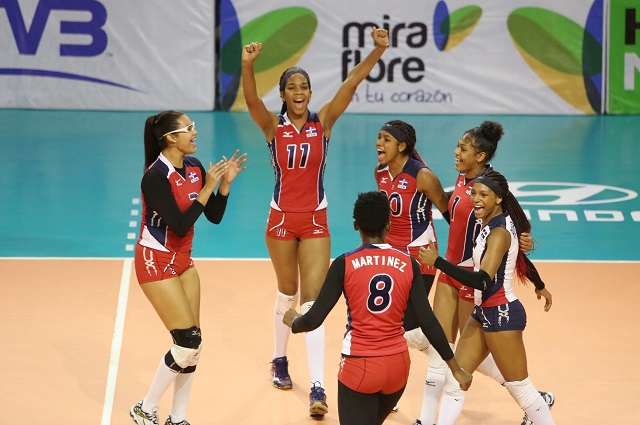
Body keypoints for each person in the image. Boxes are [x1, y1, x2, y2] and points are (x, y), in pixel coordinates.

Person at [241, 25, 390, 417]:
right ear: (285, 95)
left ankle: (319, 387)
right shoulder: (272, 127)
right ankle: (279, 359)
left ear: (309, 92)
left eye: (304, 85)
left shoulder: (323, 123)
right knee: (286, 293)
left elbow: (353, 81)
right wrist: (247, 64)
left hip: (315, 221)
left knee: (314, 301)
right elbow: (251, 98)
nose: (299, 91)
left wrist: (378, 51)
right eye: (292, 86)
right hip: (279, 221)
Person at [282, 191, 473, 425]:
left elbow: (313, 320)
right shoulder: (409, 263)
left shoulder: (345, 263)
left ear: (355, 225)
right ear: (389, 225)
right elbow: (429, 321)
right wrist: (455, 368)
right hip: (398, 368)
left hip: (360, 365)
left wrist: (293, 321)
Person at [412, 121, 554, 425]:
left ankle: (534, 402)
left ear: (480, 156)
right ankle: (425, 419)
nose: (456, 151)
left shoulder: (491, 192)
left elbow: (513, 235)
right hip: (449, 273)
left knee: (474, 357)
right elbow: (456, 217)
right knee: (442, 350)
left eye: (463, 148)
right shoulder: (464, 181)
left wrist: (536, 278)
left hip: (472, 282)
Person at [130, 110, 247, 425]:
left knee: (193, 344)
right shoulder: (155, 177)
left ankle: (177, 417)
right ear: (170, 138)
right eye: (189, 128)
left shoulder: (194, 167)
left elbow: (214, 217)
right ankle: (145, 408)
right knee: (187, 341)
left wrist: (223, 186)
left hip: (183, 261)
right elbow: (180, 225)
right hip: (156, 262)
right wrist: (207, 188)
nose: (195, 133)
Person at [374, 119, 450, 355]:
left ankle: (451, 359)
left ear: (402, 146)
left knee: (405, 325)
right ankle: (449, 357)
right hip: (391, 253)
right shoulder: (380, 173)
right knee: (394, 322)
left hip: (420, 254)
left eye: (387, 139)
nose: (379, 143)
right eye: (379, 137)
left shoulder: (423, 176)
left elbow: (449, 214)